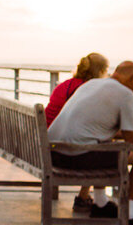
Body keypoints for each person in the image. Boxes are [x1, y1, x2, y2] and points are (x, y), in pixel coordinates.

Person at [46, 61, 133, 225]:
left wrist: (132, 137)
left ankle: (101, 205)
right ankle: (130, 216)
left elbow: (97, 130)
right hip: (75, 157)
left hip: (54, 153)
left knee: (107, 145)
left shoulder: (92, 84)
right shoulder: (125, 94)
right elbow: (132, 138)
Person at [44, 52, 109, 211]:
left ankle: (86, 197)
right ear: (100, 72)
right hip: (59, 150)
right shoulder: (87, 91)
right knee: (104, 144)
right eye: (106, 70)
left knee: (97, 141)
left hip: (47, 143)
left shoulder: (65, 85)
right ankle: (93, 200)